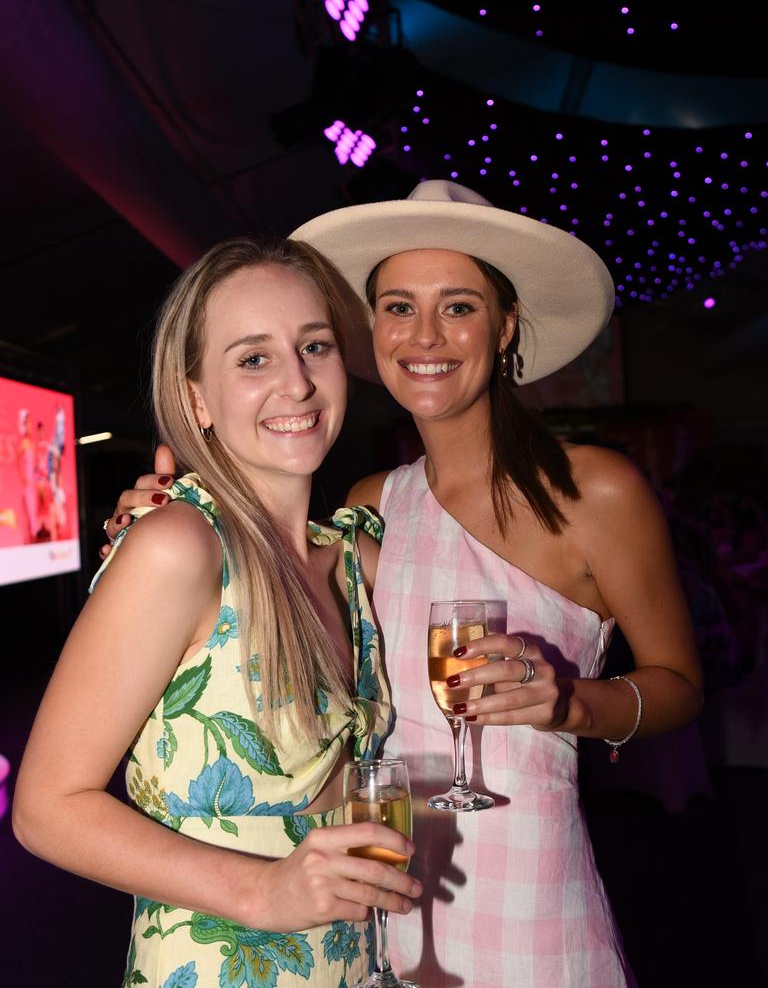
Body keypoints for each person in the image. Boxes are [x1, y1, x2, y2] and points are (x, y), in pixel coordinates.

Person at [103, 182, 703, 987]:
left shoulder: (596, 492)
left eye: (458, 307)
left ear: (505, 327)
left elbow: (680, 686)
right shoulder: (369, 510)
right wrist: (163, 514)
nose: (426, 335)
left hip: (531, 915)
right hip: (380, 925)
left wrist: (575, 705)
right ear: (373, 331)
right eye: (396, 306)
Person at [13, 237, 422, 988]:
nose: (296, 384)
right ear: (196, 397)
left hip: (353, 965)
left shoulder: (357, 565)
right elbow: (46, 808)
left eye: (315, 346)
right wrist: (262, 890)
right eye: (253, 358)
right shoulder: (180, 548)